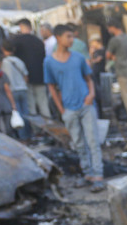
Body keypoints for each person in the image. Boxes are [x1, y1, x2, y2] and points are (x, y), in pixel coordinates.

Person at [44, 24, 104, 191]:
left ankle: (98, 175)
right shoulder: (49, 62)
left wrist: (90, 95)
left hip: (86, 105)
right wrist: (61, 109)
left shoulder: (78, 58)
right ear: (58, 38)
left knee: (93, 141)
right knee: (78, 143)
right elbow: (51, 87)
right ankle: (88, 173)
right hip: (69, 108)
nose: (72, 40)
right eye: (68, 36)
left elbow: (89, 78)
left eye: (72, 36)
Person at [12, 19, 52, 120]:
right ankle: (49, 125)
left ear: (21, 26)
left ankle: (37, 129)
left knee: (31, 104)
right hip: (40, 76)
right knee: (43, 103)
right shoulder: (38, 41)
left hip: (26, 78)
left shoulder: (17, 41)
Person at [1, 40, 31, 140]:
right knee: (26, 114)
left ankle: (23, 137)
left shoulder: (4, 63)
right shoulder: (19, 61)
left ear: (3, 49)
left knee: (17, 114)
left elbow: (4, 79)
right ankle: (29, 135)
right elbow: (25, 76)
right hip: (23, 89)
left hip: (12, 91)